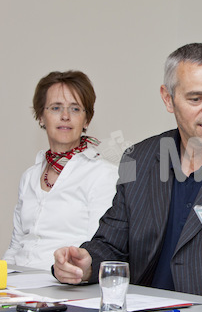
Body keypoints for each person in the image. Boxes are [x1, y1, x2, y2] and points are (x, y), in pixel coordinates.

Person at [52, 43, 202, 307]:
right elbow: (111, 244)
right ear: (168, 98)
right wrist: (86, 263)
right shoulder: (140, 158)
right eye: (196, 99)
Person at [3, 71, 118, 270]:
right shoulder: (30, 176)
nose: (65, 116)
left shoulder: (102, 174)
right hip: (19, 283)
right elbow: (16, 245)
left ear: (86, 120)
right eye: (56, 108)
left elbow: (100, 248)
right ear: (41, 116)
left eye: (75, 109)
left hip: (64, 283)